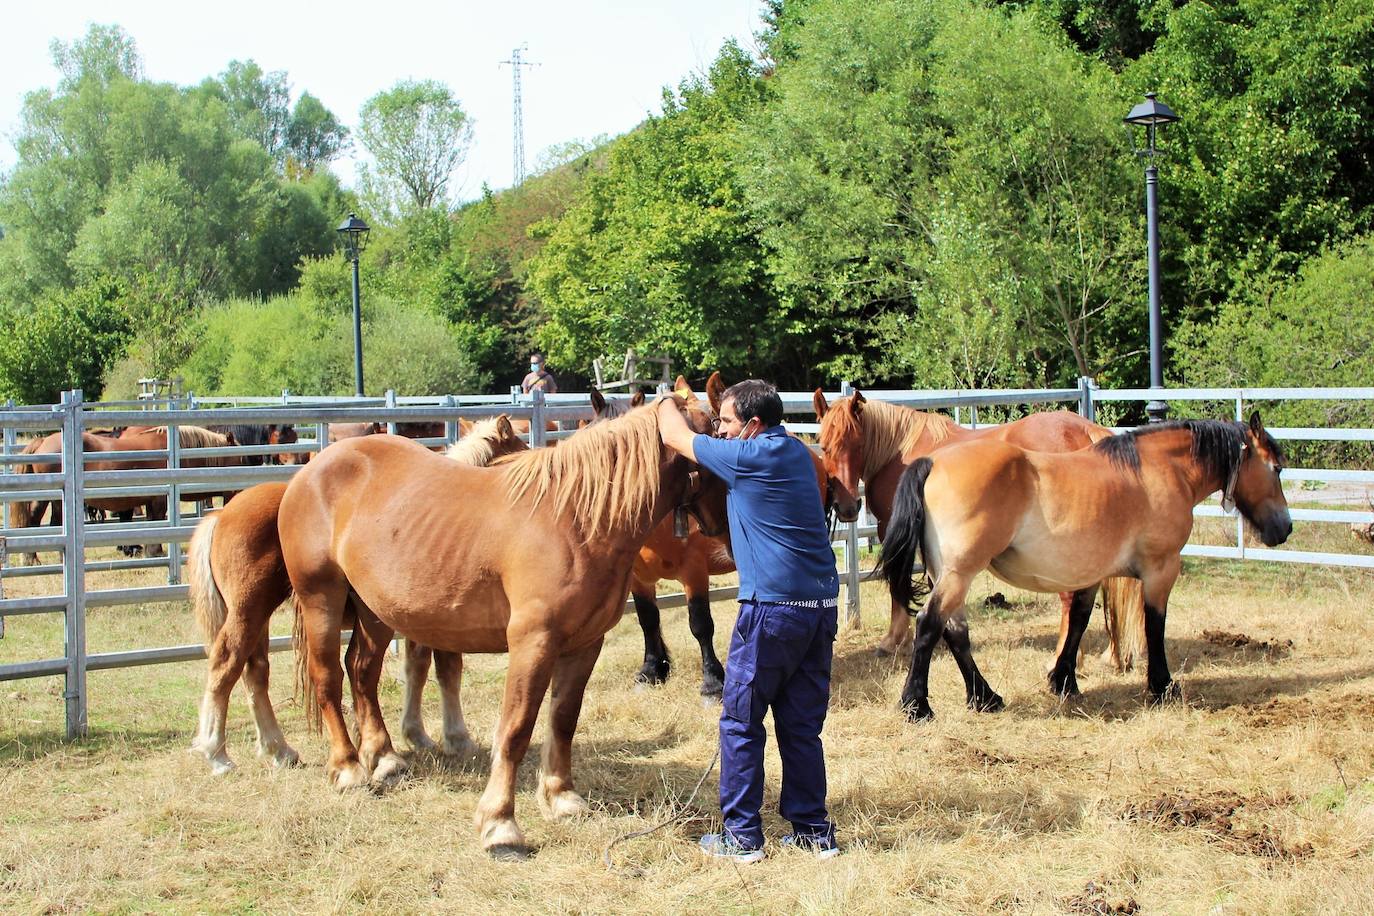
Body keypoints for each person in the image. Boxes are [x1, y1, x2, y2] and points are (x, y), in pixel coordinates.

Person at [656, 379, 841, 863]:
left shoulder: (749, 457)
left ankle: (741, 837)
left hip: (772, 611)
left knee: (740, 721)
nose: (720, 430)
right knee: (801, 726)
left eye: (728, 422)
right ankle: (812, 832)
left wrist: (661, 402)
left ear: (753, 426)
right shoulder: (799, 454)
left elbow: (677, 438)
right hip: (819, 609)